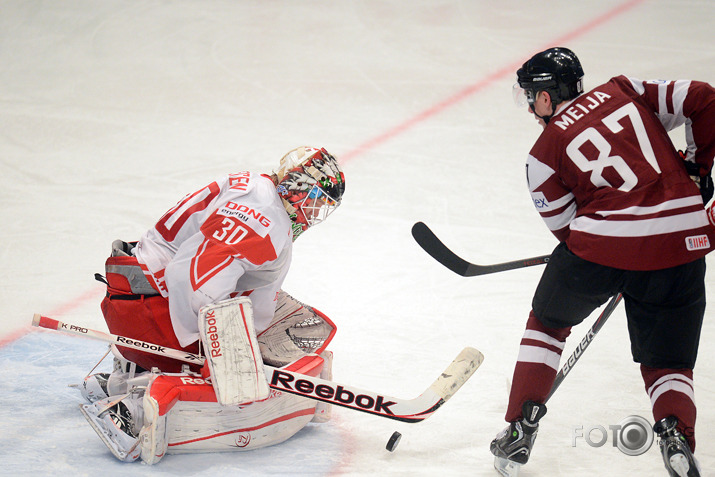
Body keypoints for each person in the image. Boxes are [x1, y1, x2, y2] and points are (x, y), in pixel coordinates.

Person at [490, 47, 714, 477]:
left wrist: (614, 267)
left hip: (603, 248)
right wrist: (698, 166)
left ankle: (520, 429)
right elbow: (704, 98)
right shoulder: (628, 91)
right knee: (668, 361)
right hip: (683, 243)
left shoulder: (542, 154)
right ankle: (675, 435)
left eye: (530, 97)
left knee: (549, 324)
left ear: (545, 97)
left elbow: (568, 234)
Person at [78, 146, 345, 463]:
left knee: (263, 309)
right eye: (313, 199)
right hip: (147, 312)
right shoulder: (266, 218)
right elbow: (191, 278)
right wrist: (220, 349)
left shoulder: (257, 188)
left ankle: (127, 377)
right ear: (295, 183)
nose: (313, 212)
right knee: (232, 367)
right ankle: (133, 409)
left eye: (322, 206)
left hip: (133, 298)